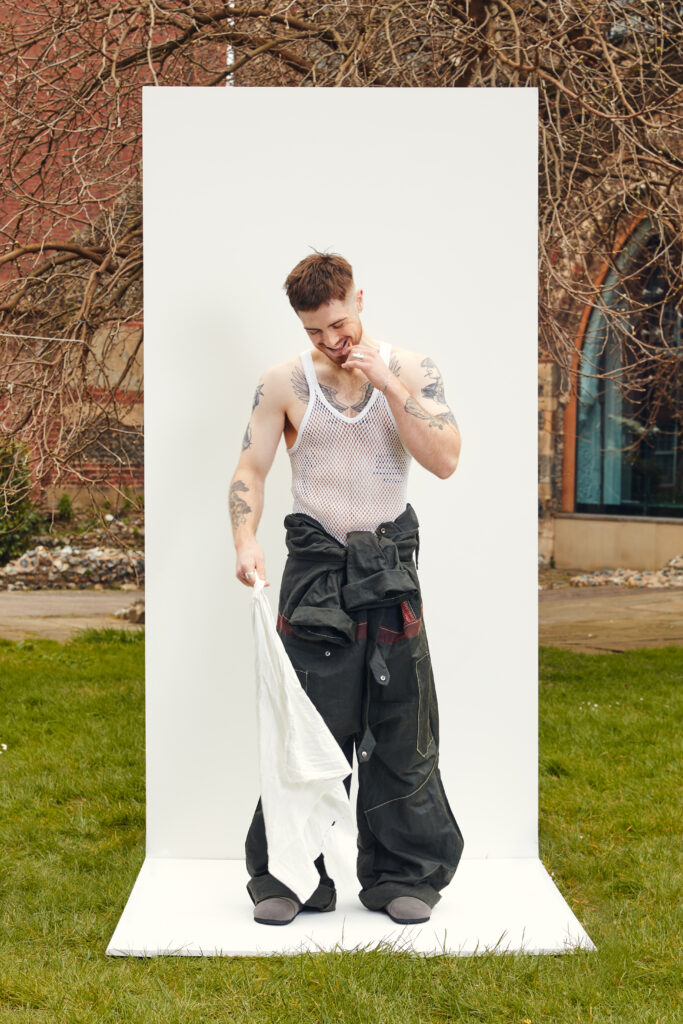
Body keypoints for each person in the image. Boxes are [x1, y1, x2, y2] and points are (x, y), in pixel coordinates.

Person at [229, 251, 464, 927]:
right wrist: (244, 539)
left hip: (388, 564)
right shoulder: (284, 382)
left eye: (338, 323)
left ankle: (402, 875)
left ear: (358, 298)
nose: (332, 341)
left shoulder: (412, 370)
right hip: (313, 572)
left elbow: (445, 460)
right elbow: (250, 466)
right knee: (305, 723)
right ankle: (290, 874)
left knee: (399, 724)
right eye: (315, 331)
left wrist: (388, 382)